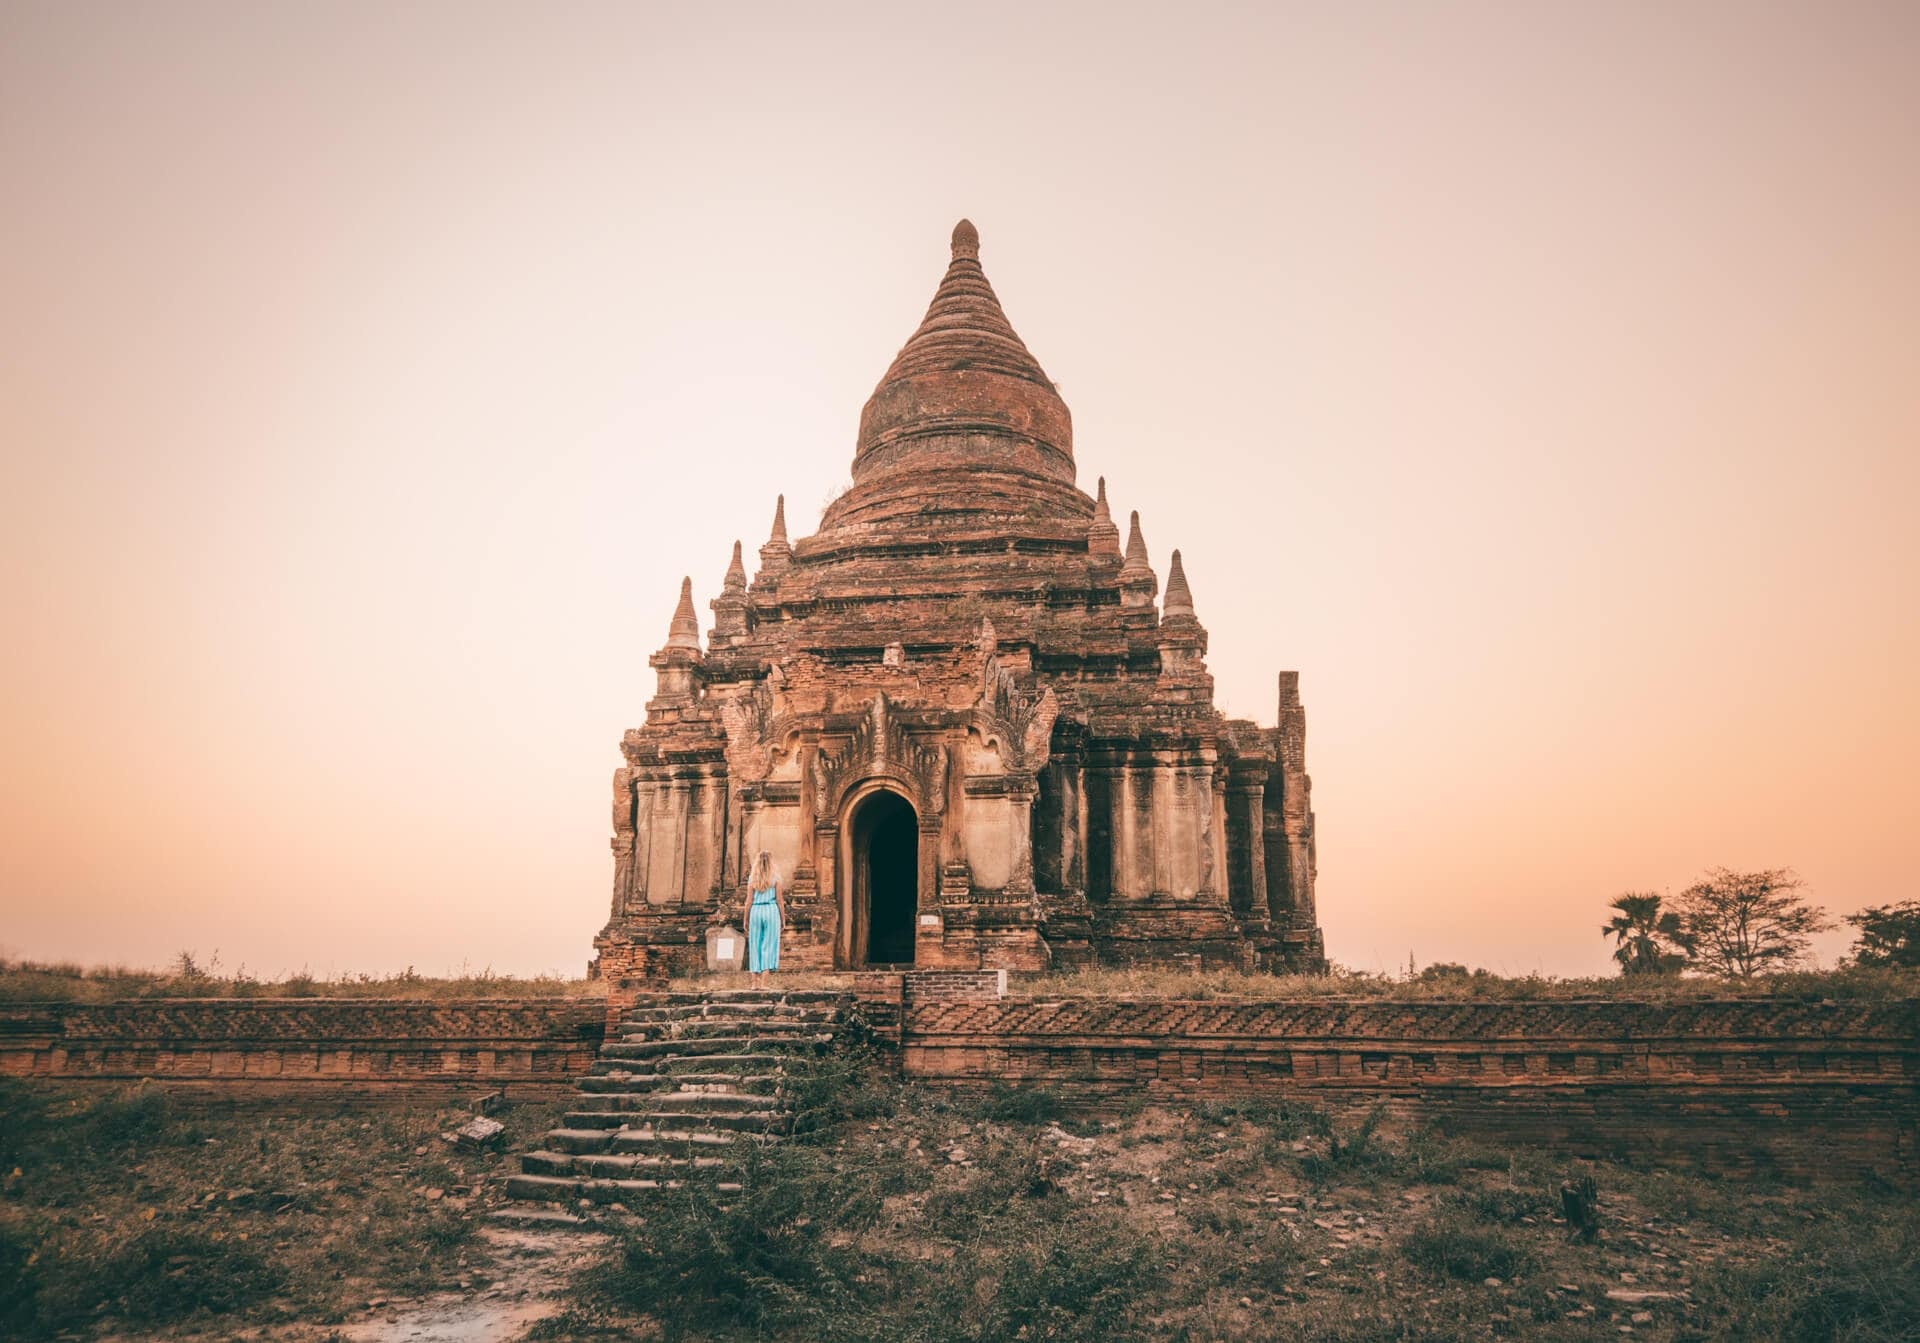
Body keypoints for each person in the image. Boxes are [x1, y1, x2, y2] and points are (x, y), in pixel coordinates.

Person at [742, 850, 784, 983]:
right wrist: (783, 919)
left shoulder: (752, 878)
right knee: (769, 945)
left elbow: (748, 901)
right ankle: (764, 982)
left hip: (755, 910)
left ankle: (754, 982)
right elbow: (780, 901)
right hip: (771, 911)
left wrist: (745, 919)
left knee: (754, 945)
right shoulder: (776, 878)